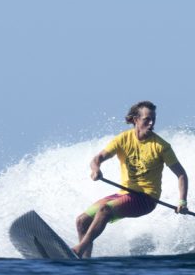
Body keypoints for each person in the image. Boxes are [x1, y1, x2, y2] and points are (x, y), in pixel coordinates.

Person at [72, 101, 188, 258]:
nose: (151, 123)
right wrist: (96, 169)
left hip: (146, 198)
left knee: (104, 210)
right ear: (135, 120)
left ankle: (79, 250)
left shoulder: (161, 146)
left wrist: (182, 202)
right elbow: (97, 158)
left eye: (153, 119)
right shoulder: (123, 139)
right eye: (147, 119)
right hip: (124, 194)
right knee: (81, 221)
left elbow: (181, 174)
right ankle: (84, 260)